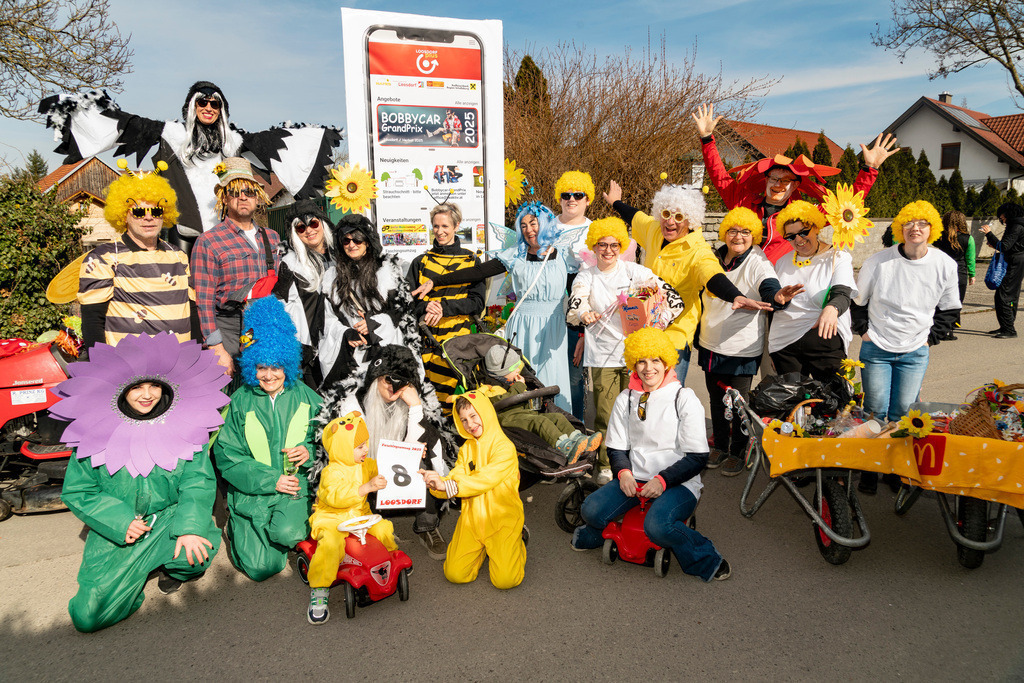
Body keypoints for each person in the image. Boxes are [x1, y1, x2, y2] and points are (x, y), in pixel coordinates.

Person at [53, 332, 229, 632]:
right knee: (88, 617)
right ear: (122, 390)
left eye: (154, 386)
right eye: (137, 387)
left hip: (169, 519)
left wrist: (189, 529)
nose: (147, 395)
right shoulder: (93, 430)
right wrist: (120, 522)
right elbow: (78, 491)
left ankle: (165, 563)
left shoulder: (186, 426)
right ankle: (131, 575)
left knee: (194, 555)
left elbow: (197, 483)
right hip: (121, 529)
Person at [39, 81, 341, 250]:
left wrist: (317, 135)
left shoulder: (233, 142)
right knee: (185, 292)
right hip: (182, 230)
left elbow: (272, 142)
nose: (208, 108)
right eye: (202, 103)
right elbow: (127, 125)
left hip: (224, 232)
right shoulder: (173, 134)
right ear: (192, 107)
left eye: (215, 104)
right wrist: (73, 111)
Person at [570, 328, 731, 582]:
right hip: (636, 480)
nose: (648, 368)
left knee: (657, 527)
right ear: (633, 362)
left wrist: (662, 481)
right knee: (591, 509)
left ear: (666, 361)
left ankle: (705, 557)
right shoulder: (627, 398)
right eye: (642, 361)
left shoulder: (684, 398)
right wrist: (623, 473)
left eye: (656, 360)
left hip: (678, 483)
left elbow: (697, 457)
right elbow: (617, 447)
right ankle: (599, 531)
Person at [412, 202, 580, 412]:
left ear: (545, 224)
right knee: (515, 379)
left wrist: (581, 330)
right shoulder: (515, 254)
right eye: (524, 225)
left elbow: (580, 292)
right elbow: (476, 272)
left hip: (553, 327)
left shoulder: (566, 255)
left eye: (533, 223)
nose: (529, 230)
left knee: (551, 377)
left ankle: (560, 429)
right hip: (522, 326)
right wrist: (436, 282)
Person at [604, 180, 771, 386]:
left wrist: (734, 295)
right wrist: (616, 202)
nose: (670, 222)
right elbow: (635, 216)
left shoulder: (699, 250)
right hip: (645, 330)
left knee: (669, 396)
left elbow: (712, 274)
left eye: (679, 217)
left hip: (674, 337)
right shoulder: (654, 229)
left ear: (690, 220)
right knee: (641, 394)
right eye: (666, 214)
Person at [692, 103, 898, 264]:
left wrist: (869, 169)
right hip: (739, 279)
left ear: (796, 186)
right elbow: (720, 176)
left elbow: (845, 207)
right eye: (774, 178)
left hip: (781, 284)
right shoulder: (743, 202)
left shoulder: (805, 216)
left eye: (787, 181)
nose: (779, 184)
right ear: (766, 180)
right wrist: (707, 138)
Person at [852, 201, 961, 494]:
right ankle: (870, 469)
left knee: (903, 413)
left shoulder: (945, 265)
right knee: (874, 410)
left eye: (923, 223)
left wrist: (930, 338)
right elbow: (858, 302)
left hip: (915, 351)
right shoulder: (878, 261)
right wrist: (864, 332)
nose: (916, 228)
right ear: (900, 228)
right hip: (876, 347)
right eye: (909, 223)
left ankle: (896, 470)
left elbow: (950, 309)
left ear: (932, 229)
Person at [566, 217, 684, 482]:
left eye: (614, 245)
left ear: (621, 246)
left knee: (640, 412)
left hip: (637, 359)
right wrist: (585, 313)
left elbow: (671, 297)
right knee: (607, 415)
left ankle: (640, 463)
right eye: (602, 245)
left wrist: (658, 322)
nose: (608, 251)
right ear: (593, 247)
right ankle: (607, 465)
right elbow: (577, 300)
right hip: (602, 358)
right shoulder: (586, 276)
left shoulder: (634, 271)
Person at [213, 297, 322, 581]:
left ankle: (284, 528)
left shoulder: (306, 396)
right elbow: (227, 457)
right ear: (251, 367)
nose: (269, 375)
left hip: (293, 490)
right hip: (252, 493)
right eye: (261, 367)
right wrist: (270, 480)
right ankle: (239, 528)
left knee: (289, 534)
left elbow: (327, 437)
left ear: (287, 364)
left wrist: (309, 451)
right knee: (262, 568)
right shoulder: (238, 401)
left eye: (276, 367)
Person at [315, 345, 454, 560]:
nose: (393, 387)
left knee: (426, 461)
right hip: (363, 474)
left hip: (395, 475)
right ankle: (365, 525)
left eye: (401, 381)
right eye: (389, 379)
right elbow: (341, 452)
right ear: (377, 376)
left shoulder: (410, 402)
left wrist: (416, 407)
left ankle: (427, 525)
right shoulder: (352, 404)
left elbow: (425, 448)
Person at [698, 207, 803, 475]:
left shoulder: (758, 261)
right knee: (716, 398)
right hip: (711, 340)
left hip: (741, 346)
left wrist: (777, 297)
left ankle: (738, 450)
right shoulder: (714, 255)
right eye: (733, 230)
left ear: (754, 235)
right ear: (725, 232)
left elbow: (768, 285)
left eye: (746, 232)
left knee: (739, 403)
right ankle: (720, 446)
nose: (738, 237)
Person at [78, 163, 199, 352]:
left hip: (178, 363)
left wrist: (196, 353)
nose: (148, 218)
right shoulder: (104, 258)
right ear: (124, 216)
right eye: (139, 212)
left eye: (156, 211)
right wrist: (103, 367)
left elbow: (191, 310)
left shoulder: (178, 255)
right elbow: (93, 320)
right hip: (129, 366)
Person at [420, 392, 526, 589]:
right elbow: (456, 477)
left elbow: (484, 480)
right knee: (455, 574)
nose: (470, 424)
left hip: (502, 520)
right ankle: (487, 550)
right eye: (464, 420)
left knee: (505, 581)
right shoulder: (467, 448)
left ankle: (516, 542)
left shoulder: (505, 448)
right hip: (472, 521)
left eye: (474, 416)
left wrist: (448, 485)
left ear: (486, 412)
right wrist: (436, 485)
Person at [190, 157, 281, 376]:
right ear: (224, 198)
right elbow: (203, 300)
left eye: (248, 192)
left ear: (257, 198)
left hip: (265, 324)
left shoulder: (273, 237)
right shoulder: (209, 241)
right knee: (225, 395)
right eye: (234, 192)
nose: (242, 197)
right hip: (228, 326)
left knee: (261, 392)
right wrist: (216, 346)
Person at [306, 411, 396, 625]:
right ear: (342, 448)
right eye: (359, 447)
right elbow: (334, 497)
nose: (365, 450)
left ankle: (390, 559)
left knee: (383, 527)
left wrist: (409, 458)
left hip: (359, 515)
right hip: (331, 517)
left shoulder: (366, 464)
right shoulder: (331, 472)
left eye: (366, 444)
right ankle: (319, 589)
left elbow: (387, 467)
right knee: (330, 543)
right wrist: (365, 487)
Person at [319, 214, 423, 389]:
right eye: (346, 241)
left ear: (367, 242)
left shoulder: (388, 271)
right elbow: (327, 317)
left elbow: (401, 311)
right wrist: (345, 334)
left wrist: (374, 324)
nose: (352, 245)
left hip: (385, 349)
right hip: (351, 357)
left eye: (357, 240)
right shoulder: (331, 277)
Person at [767, 200, 856, 382]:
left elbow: (842, 294)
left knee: (833, 403)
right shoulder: (782, 262)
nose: (798, 240)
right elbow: (773, 308)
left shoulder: (837, 257)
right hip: (784, 345)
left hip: (824, 341)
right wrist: (773, 348)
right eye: (791, 236)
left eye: (803, 232)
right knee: (792, 407)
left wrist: (832, 309)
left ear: (816, 227)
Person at [406, 202, 485, 407]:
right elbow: (407, 304)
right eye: (436, 226)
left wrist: (443, 306)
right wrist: (425, 307)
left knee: (461, 402)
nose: (440, 232)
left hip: (460, 345)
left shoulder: (471, 260)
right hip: (427, 344)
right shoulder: (421, 262)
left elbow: (477, 303)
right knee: (429, 403)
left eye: (445, 226)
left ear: (456, 226)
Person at [478, 345, 600, 462]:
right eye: (513, 368)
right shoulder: (488, 388)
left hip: (524, 414)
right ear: (500, 373)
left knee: (557, 417)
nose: (517, 370)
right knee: (541, 422)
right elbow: (499, 402)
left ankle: (579, 439)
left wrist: (534, 398)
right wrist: (519, 386)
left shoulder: (512, 383)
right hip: (509, 419)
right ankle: (566, 448)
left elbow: (524, 405)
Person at [274, 199, 334, 387]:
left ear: (322, 224)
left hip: (342, 343)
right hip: (311, 352)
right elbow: (281, 307)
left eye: (313, 223)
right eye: (301, 228)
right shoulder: (290, 265)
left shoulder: (342, 255)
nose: (309, 230)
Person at [554, 171, 596, 423]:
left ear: (587, 199)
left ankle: (576, 424)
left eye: (578, 195)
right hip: (549, 294)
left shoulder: (594, 229)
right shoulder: (547, 224)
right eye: (566, 195)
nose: (571, 199)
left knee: (573, 370)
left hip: (579, 295)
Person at [980, 203, 1024, 339]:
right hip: (1017, 261)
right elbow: (1009, 245)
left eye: (1002, 215)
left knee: (1004, 295)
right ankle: (1005, 326)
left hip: (1014, 263)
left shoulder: (1016, 226)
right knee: (1009, 295)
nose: (1001, 218)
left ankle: (1009, 330)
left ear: (1008, 214)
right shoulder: (1018, 224)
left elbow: (1004, 246)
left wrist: (989, 234)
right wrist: (994, 243)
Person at [933, 210, 976, 339]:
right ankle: (951, 328)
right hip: (960, 273)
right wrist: (972, 274)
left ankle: (939, 328)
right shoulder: (968, 238)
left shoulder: (939, 236)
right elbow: (970, 258)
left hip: (942, 272)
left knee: (940, 300)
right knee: (956, 301)